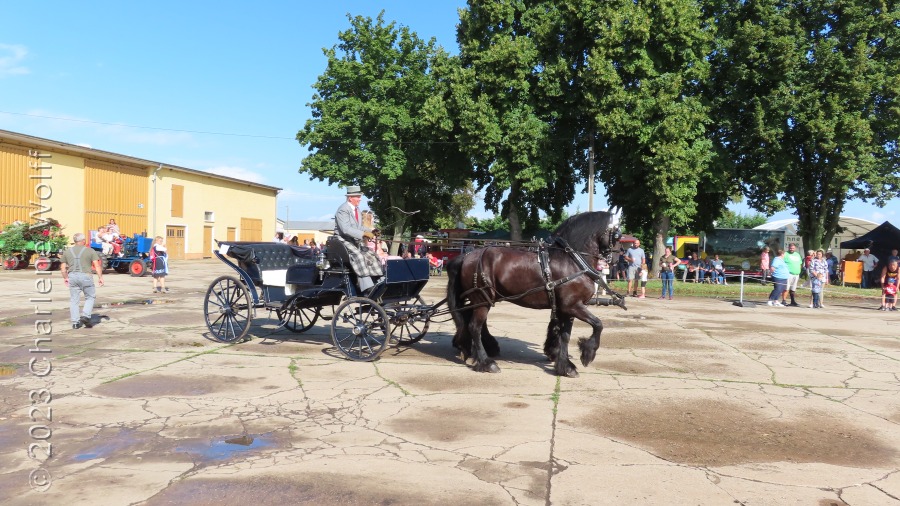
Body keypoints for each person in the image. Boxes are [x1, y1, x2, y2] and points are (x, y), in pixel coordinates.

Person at [334, 185, 383, 292]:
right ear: (350, 198)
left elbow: (358, 227)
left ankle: (379, 280)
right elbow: (345, 229)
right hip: (342, 240)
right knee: (359, 256)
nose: (360, 199)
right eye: (358, 197)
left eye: (360, 196)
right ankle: (367, 287)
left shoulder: (356, 209)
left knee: (371, 254)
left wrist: (372, 231)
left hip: (353, 240)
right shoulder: (343, 210)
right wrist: (363, 234)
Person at [60, 232, 104, 329]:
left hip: (72, 276)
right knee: (90, 297)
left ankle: (75, 323)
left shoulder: (67, 252)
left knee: (74, 300)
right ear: (83, 241)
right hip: (86, 276)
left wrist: (65, 278)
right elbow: (97, 265)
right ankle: (85, 315)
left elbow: (63, 268)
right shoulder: (90, 251)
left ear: (75, 241)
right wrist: (100, 277)